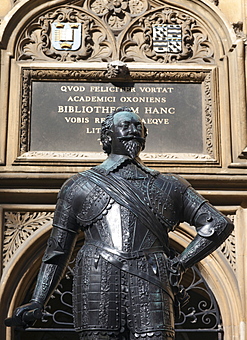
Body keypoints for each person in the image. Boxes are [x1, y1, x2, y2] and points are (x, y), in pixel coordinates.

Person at [6, 107, 233, 339]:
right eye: (125, 126)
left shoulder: (169, 185)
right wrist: (37, 300)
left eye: (138, 127)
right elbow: (57, 251)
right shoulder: (78, 186)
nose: (133, 131)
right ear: (107, 136)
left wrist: (180, 264)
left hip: (151, 279)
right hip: (97, 279)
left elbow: (217, 224)